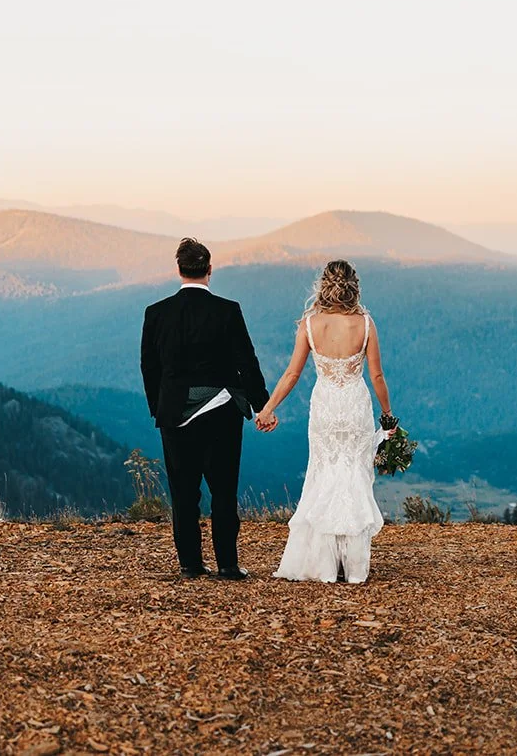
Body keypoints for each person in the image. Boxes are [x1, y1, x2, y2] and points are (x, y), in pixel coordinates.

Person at [255, 259, 393, 583]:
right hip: (355, 407)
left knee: (325, 474)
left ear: (324, 285)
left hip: (326, 410)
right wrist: (387, 415)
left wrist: (268, 408)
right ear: (353, 286)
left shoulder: (310, 323)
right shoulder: (366, 323)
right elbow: (376, 375)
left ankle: (326, 563)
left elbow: (292, 373)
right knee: (354, 476)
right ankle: (353, 565)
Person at [140, 238, 268, 579]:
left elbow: (149, 368)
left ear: (179, 270)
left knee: (183, 493)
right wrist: (261, 406)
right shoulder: (228, 310)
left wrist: (160, 409)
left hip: (174, 416)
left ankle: (191, 565)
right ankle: (227, 564)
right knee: (224, 490)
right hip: (223, 412)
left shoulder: (156, 313)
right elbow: (247, 362)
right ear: (210, 270)